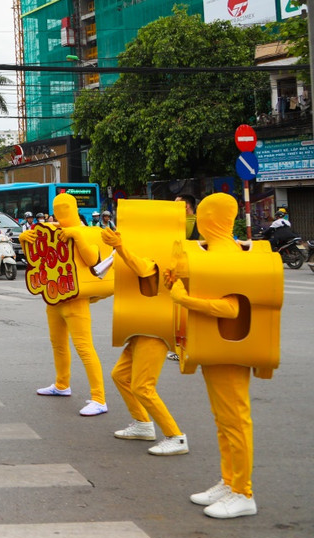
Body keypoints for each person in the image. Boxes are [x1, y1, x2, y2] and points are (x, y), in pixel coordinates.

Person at [166, 193, 264, 519]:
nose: (198, 220)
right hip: (215, 348)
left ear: (214, 219)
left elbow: (233, 307)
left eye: (202, 215)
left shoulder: (230, 255)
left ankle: (243, 492)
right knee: (223, 421)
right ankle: (229, 480)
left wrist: (184, 297)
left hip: (231, 348)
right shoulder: (211, 252)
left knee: (235, 420)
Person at [101, 225, 188, 457]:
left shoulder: (153, 260)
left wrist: (120, 247)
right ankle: (142, 424)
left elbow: (141, 268)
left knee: (143, 387)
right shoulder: (140, 256)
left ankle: (175, 436)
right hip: (139, 329)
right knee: (120, 375)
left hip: (155, 331)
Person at [34, 193, 107, 417]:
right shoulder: (53, 230)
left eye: (64, 208)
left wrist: (77, 235)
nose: (60, 212)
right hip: (54, 296)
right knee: (57, 343)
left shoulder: (84, 230)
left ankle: (99, 398)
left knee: (84, 347)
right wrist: (29, 237)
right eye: (57, 208)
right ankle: (61, 384)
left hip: (76, 300)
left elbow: (94, 260)